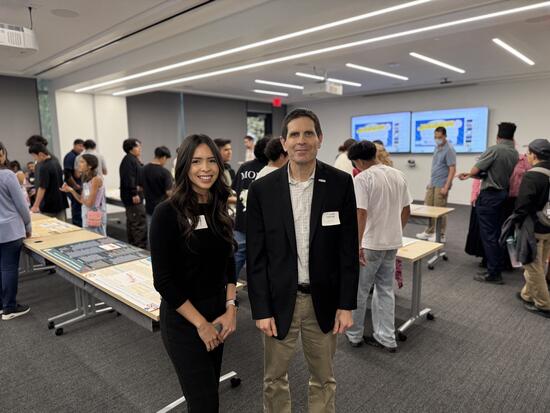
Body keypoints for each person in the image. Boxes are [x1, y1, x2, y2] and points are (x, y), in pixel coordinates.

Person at [247, 108, 359, 413]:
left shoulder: (339, 183)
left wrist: (346, 304)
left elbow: (348, 250)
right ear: (283, 142)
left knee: (323, 378)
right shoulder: (262, 189)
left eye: (308, 133)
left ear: (320, 139)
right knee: (274, 378)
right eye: (294, 134)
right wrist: (260, 308)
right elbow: (256, 257)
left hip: (322, 300)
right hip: (278, 299)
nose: (301, 140)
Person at [150, 134, 237, 412]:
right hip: (184, 322)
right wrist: (201, 324)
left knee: (209, 394)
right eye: (197, 161)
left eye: (212, 160)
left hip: (218, 314)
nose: (206, 168)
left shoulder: (218, 207)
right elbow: (163, 281)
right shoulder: (167, 212)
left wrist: (231, 307)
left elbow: (229, 262)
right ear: (184, 166)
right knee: (204, 403)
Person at [345, 141, 412, 351]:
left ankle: (354, 335)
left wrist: (356, 244)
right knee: (385, 290)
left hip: (370, 244)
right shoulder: (397, 174)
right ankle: (386, 337)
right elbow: (407, 209)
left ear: (357, 161)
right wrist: (395, 231)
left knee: (359, 290)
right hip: (392, 242)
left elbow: (361, 213)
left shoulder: (362, 178)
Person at [458, 122, 519, 284]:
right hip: (503, 195)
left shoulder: (494, 149)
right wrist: (473, 175)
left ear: (498, 137)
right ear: (512, 136)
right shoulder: (514, 152)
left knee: (489, 235)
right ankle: (496, 267)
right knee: (497, 233)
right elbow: (491, 173)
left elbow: (476, 170)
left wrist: (470, 174)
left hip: (489, 197)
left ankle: (494, 273)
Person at [513, 139, 550, 318]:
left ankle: (544, 304)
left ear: (534, 155)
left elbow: (522, 206)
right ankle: (527, 294)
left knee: (531, 264)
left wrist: (516, 222)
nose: (526, 156)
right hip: (548, 226)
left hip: (533, 226)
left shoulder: (532, 175)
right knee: (540, 263)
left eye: (528, 153)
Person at [0, 142, 32, 320]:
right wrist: (28, 226)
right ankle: (10, 307)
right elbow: (21, 205)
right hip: (10, 229)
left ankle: (1, 304)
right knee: (9, 268)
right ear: (2, 154)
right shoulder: (7, 175)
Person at [231, 137, 270, 279]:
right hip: (261, 224)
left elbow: (236, 189)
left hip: (241, 221)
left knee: (237, 258)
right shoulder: (270, 171)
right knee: (259, 262)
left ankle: (228, 293)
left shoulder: (244, 167)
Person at [416, 127, 456, 242]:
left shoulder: (449, 149)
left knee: (439, 210)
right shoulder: (436, 147)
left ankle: (441, 234)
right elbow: (436, 167)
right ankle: (429, 231)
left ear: (445, 136)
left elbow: (452, 169)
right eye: (435, 137)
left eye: (439, 137)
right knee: (429, 208)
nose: (437, 139)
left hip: (442, 184)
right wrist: (430, 182)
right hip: (433, 182)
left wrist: (446, 187)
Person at [61, 154, 107, 236]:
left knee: (98, 241)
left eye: (82, 162)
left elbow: (89, 203)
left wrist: (83, 200)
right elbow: (81, 200)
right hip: (87, 215)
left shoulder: (96, 179)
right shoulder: (85, 178)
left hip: (95, 216)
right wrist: (71, 190)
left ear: (90, 166)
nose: (79, 164)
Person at [28, 144, 68, 220]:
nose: (35, 159)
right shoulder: (56, 162)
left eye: (34, 156)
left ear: (40, 154)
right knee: (62, 227)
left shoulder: (44, 167)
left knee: (49, 227)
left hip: (49, 204)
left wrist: (36, 205)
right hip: (61, 201)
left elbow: (42, 188)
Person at [119, 138, 147, 249]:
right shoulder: (129, 161)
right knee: (138, 223)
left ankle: (134, 245)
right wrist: (134, 193)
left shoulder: (133, 159)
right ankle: (139, 247)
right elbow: (129, 178)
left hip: (134, 195)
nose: (140, 148)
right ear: (131, 148)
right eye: (138, 146)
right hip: (133, 197)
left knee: (133, 221)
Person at [142, 146, 174, 233]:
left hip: (149, 206)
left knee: (151, 231)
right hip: (162, 208)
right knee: (164, 232)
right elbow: (169, 192)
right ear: (163, 157)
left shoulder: (144, 169)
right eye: (166, 159)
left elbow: (140, 187)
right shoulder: (165, 173)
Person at [63, 139, 85, 227]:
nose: (82, 148)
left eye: (83, 146)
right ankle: (78, 225)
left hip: (78, 185)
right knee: (77, 207)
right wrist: (75, 185)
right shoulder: (71, 156)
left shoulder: (78, 156)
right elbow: (67, 173)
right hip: (73, 185)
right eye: (80, 146)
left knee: (79, 206)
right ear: (74, 145)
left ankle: (80, 224)